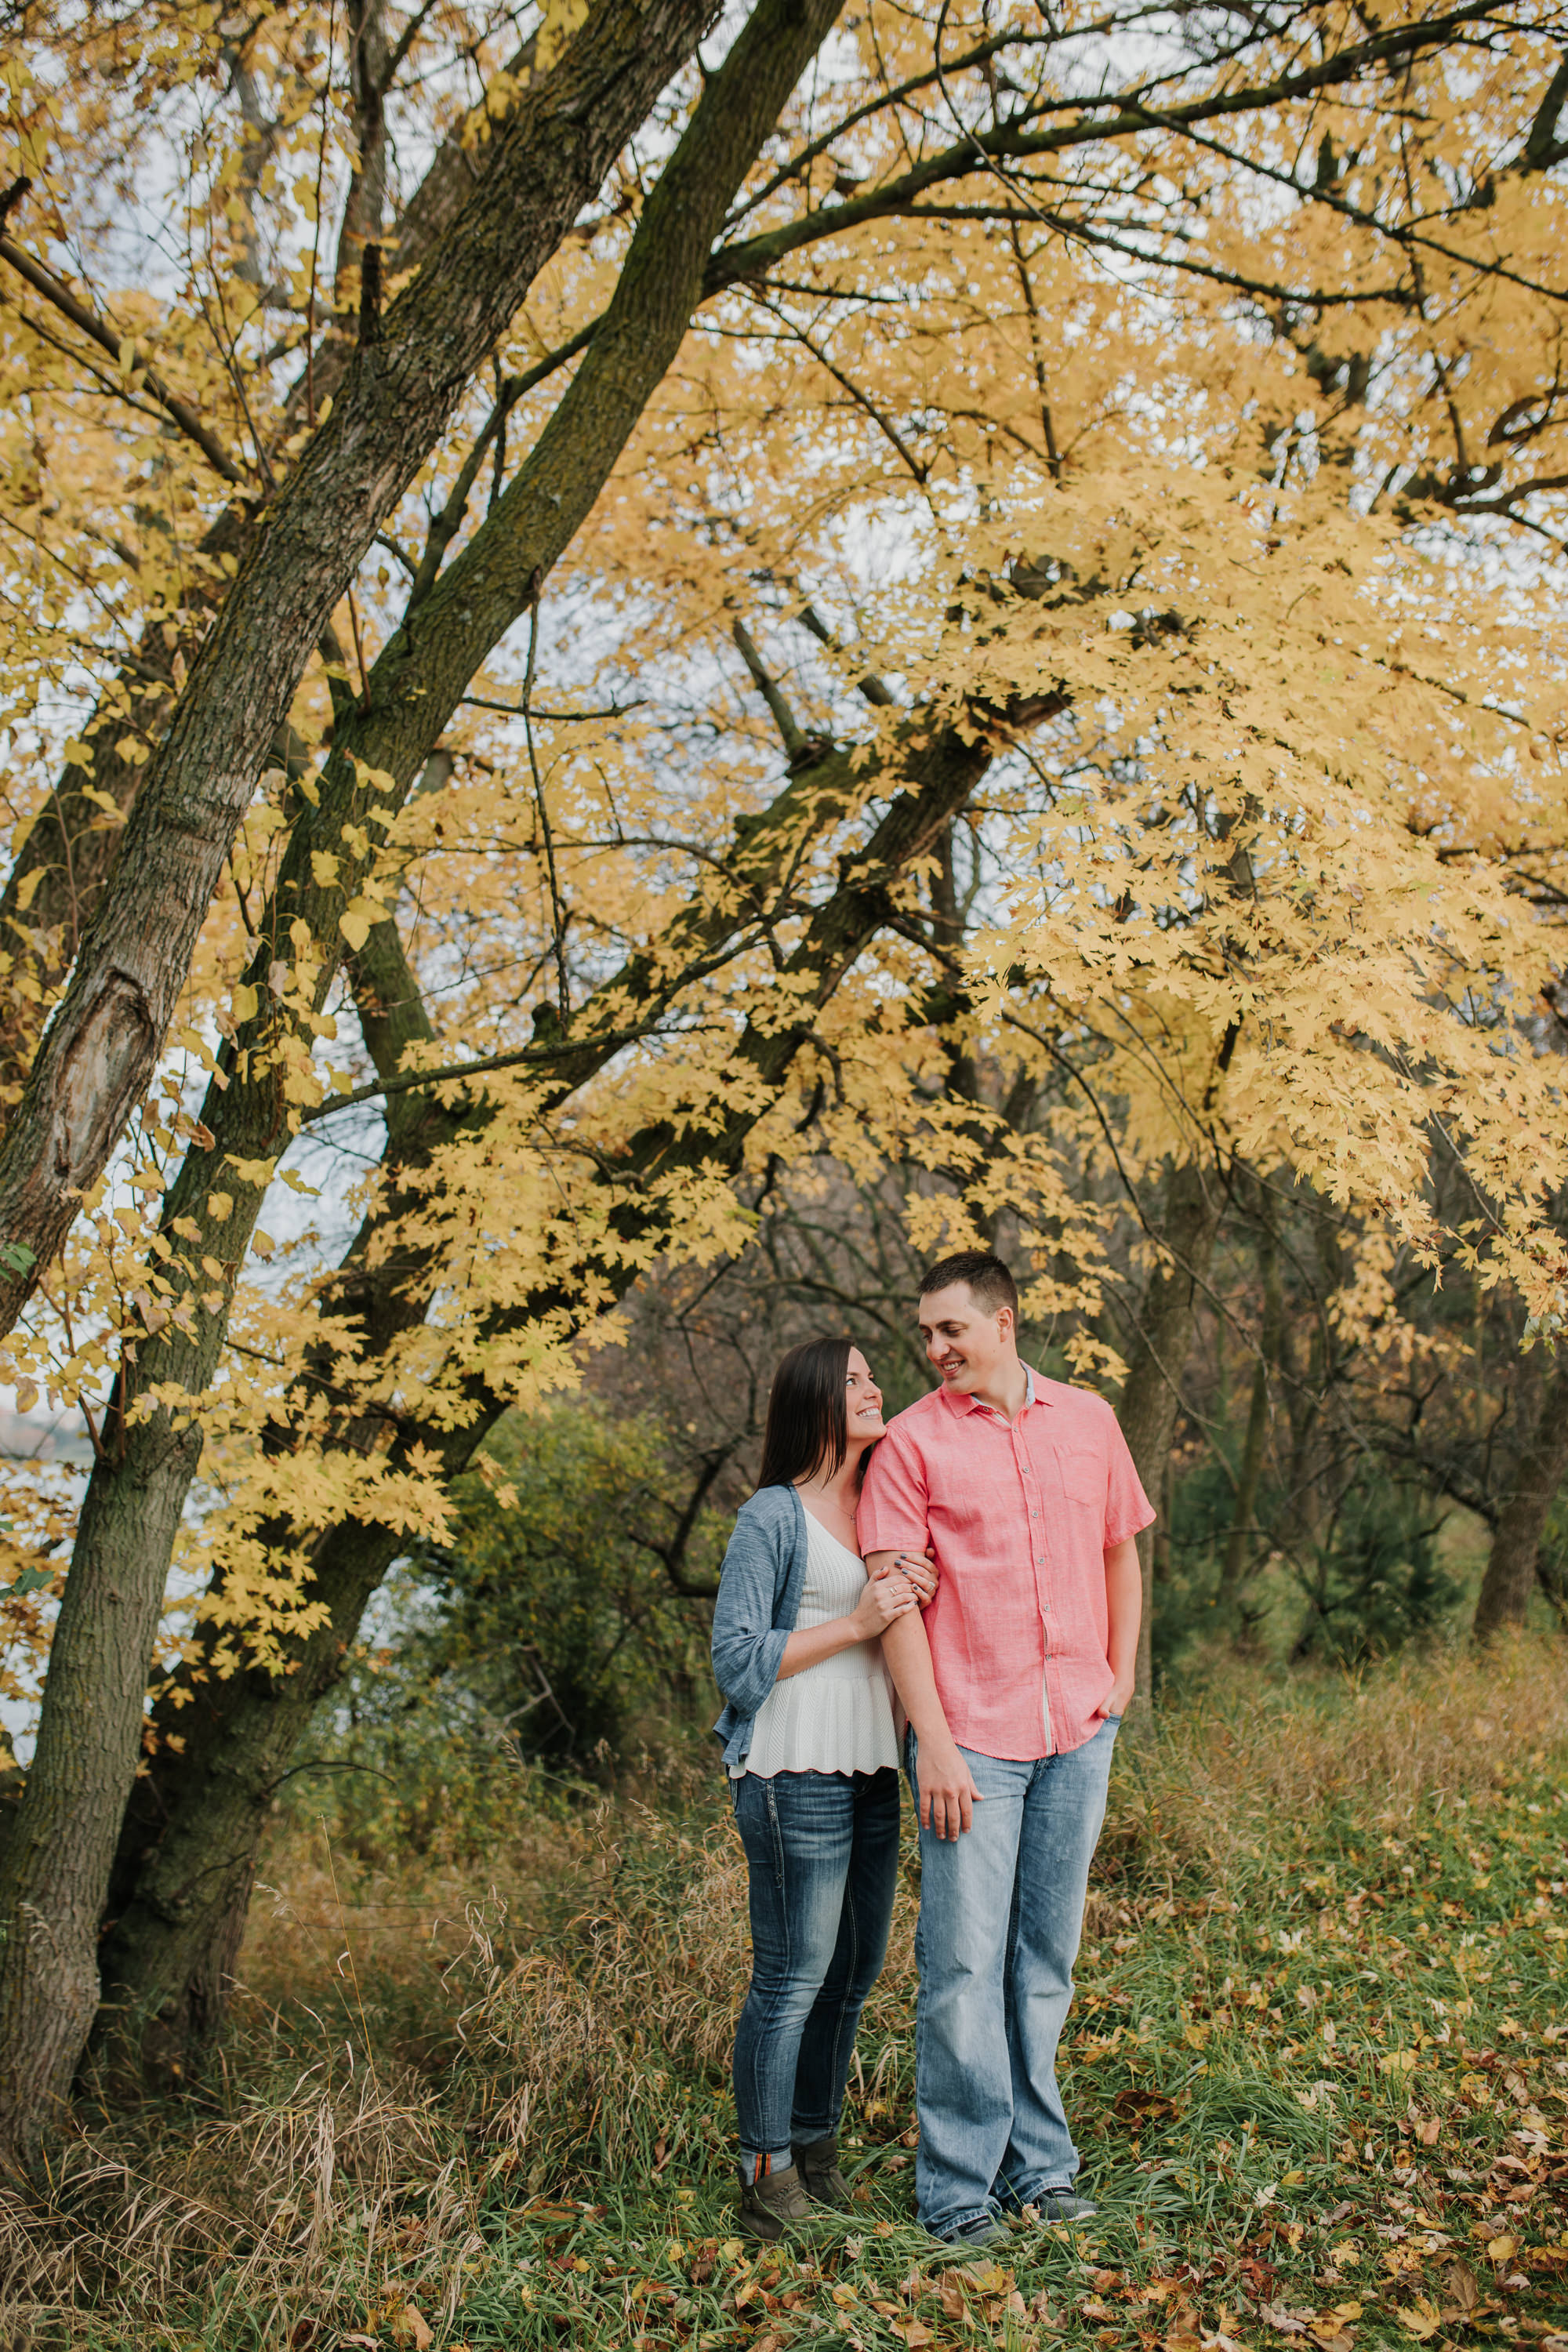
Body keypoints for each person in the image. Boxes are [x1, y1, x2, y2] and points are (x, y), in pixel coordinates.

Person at [858, 1250, 1152, 2247]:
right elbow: (896, 1606)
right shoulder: (906, 1447)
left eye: (949, 1330)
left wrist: (1117, 1679)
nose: (933, 1349)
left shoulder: (1091, 1422)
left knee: (1043, 1962)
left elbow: (1120, 1549)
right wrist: (929, 1744)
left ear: (1004, 1322)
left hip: (1076, 1728)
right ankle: (954, 2191)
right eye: (924, 1334)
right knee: (959, 1967)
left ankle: (1040, 2169)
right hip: (969, 1740)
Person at [710, 1337, 938, 2244]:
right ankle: (764, 2177)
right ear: (814, 1400)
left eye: (870, 1373)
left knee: (851, 1976)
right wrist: (855, 1620)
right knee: (791, 1976)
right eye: (852, 1379)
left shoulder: (883, 1500)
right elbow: (734, 1662)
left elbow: (898, 1629)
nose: (874, 1385)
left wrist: (918, 1589)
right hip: (787, 1767)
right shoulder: (772, 1516)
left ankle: (815, 2149)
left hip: (870, 1766)